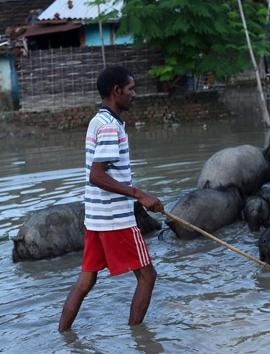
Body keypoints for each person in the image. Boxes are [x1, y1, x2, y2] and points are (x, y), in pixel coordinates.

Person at [58, 66, 164, 332]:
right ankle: (138, 340)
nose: (134, 94)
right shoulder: (108, 127)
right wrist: (139, 194)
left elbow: (99, 174)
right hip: (115, 219)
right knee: (148, 277)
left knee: (85, 282)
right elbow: (97, 175)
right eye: (130, 89)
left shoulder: (101, 121)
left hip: (96, 217)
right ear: (116, 91)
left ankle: (63, 334)